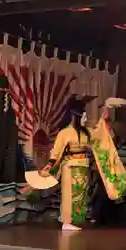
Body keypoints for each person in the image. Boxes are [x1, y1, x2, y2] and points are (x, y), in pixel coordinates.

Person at [40, 95, 96, 231]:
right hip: (70, 166)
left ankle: (74, 220)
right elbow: (57, 151)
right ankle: (66, 220)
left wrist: (105, 117)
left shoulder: (87, 132)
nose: (86, 119)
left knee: (81, 195)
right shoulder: (65, 133)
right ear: (75, 116)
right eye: (83, 116)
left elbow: (99, 137)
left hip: (83, 166)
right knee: (69, 194)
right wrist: (50, 164)